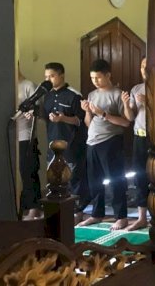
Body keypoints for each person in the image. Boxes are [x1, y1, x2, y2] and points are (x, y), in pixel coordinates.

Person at [78, 59, 130, 230]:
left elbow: (125, 123)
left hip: (110, 141)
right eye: (93, 78)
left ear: (108, 75)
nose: (95, 81)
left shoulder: (117, 94)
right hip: (92, 141)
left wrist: (104, 114)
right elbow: (88, 123)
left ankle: (121, 216)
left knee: (116, 180)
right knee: (95, 181)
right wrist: (87, 111)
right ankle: (96, 214)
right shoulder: (92, 94)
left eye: (98, 77)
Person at [41, 62, 89, 223]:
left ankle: (77, 212)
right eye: (46, 76)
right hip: (52, 145)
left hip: (71, 145)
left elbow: (80, 121)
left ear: (61, 75)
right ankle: (57, 213)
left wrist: (63, 118)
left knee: (74, 180)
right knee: (54, 180)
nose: (49, 79)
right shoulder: (46, 96)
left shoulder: (74, 95)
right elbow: (43, 116)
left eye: (52, 76)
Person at [121, 57, 150, 231]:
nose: (145, 69)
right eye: (142, 66)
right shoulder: (136, 88)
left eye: (148, 66)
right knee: (140, 177)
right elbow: (130, 117)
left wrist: (150, 102)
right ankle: (141, 217)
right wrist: (126, 104)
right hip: (139, 136)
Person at [17, 70, 41, 220]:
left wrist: (31, 112)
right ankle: (23, 206)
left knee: (28, 171)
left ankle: (34, 207)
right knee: (18, 173)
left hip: (26, 136)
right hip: (12, 136)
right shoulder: (7, 86)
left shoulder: (28, 85)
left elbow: (37, 109)